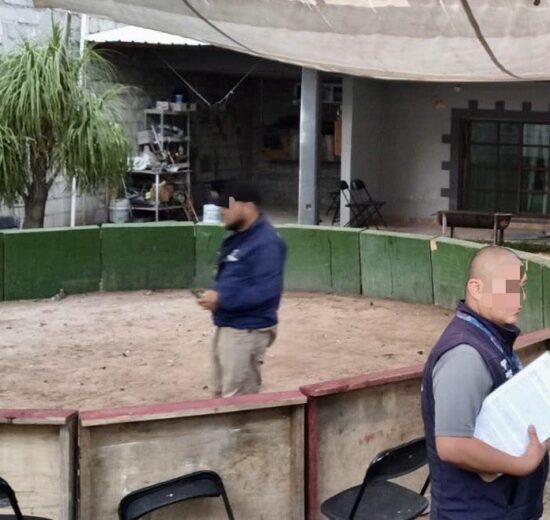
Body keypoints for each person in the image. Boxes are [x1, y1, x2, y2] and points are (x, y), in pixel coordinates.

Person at [421, 245, 549, 519]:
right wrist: (522, 464)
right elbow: (452, 445)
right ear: (476, 289)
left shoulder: (492, 337)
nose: (520, 298)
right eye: (510, 287)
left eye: (521, 287)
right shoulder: (464, 356)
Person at [197, 181, 286, 398]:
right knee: (221, 397)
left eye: (228, 205)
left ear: (248, 206)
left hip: (247, 331)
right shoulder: (239, 237)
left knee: (239, 403)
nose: (222, 211)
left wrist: (222, 299)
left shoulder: (266, 243)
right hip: (230, 327)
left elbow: (266, 291)